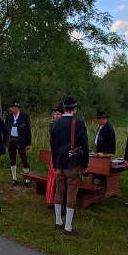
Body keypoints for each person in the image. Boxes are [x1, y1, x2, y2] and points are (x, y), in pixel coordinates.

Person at [50, 96, 89, 236]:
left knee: (59, 191)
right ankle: (68, 226)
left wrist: (55, 164)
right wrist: (85, 165)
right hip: (73, 164)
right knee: (71, 193)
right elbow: (85, 146)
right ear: (75, 109)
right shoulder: (79, 124)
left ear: (64, 108)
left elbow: (53, 146)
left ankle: (58, 221)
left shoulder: (54, 123)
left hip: (59, 164)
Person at [4, 101, 32, 186]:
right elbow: (6, 130)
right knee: (12, 160)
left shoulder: (24, 116)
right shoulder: (8, 117)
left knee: (24, 160)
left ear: (17, 108)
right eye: (11, 107)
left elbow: (28, 130)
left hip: (21, 141)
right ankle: (14, 178)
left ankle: (27, 179)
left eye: (13, 107)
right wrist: (5, 141)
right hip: (11, 141)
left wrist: (29, 143)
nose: (12, 109)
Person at [45, 106, 63, 207]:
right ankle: (51, 200)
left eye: (58, 114)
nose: (55, 116)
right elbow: (53, 139)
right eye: (54, 114)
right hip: (55, 153)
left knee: (60, 178)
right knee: (53, 177)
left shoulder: (66, 124)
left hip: (62, 154)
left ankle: (59, 201)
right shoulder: (52, 124)